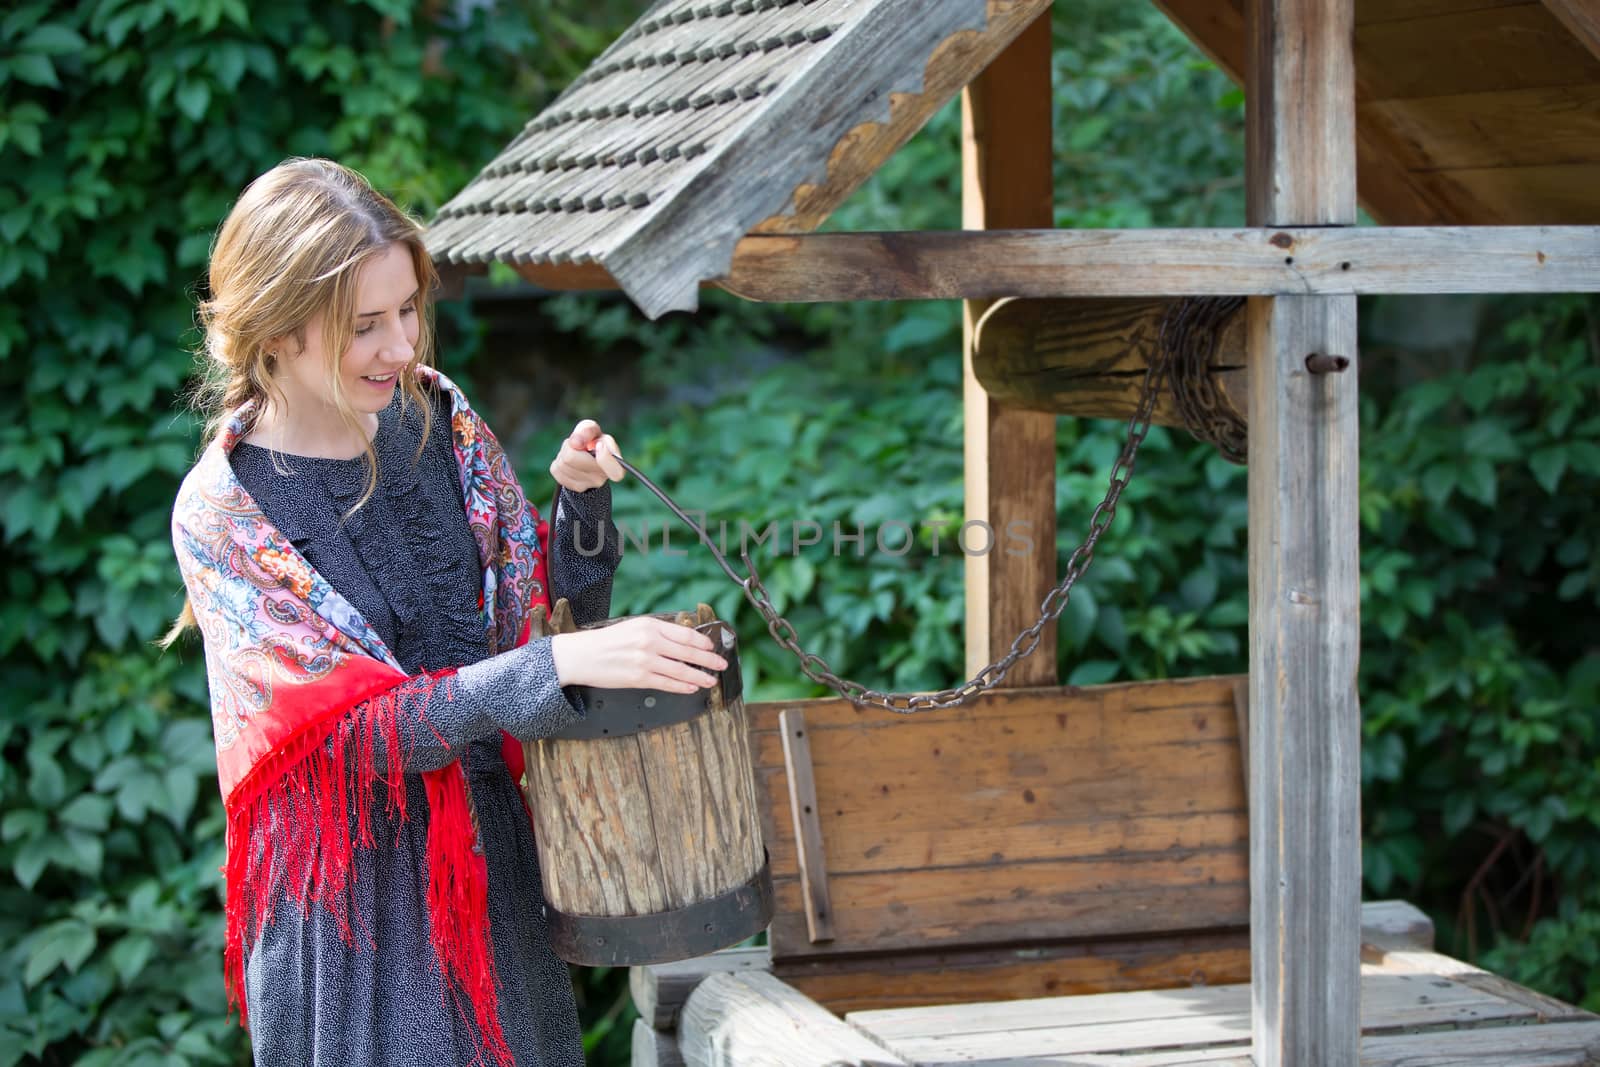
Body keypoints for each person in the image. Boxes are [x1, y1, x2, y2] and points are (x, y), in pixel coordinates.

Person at [162, 157, 727, 1067]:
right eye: (364, 326)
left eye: (408, 310)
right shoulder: (225, 510)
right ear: (276, 328)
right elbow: (343, 742)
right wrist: (556, 668)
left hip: (491, 879)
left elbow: (537, 639)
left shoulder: (441, 421)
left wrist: (580, 514)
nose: (400, 345)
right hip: (354, 919)